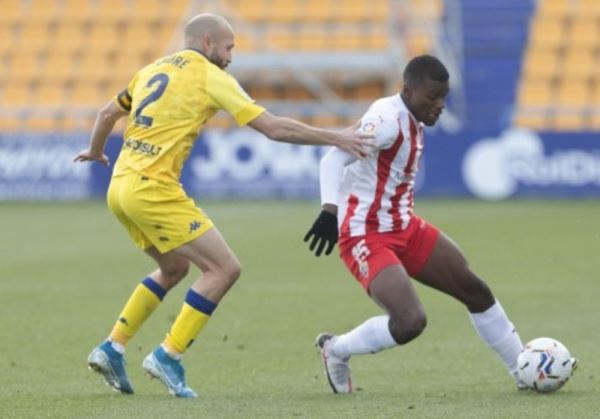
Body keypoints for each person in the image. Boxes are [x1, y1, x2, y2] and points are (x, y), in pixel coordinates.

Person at [74, 13, 373, 398]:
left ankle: (112, 347)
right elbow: (273, 127)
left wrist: (96, 152)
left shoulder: (151, 69)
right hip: (153, 189)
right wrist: (337, 137)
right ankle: (169, 355)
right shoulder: (210, 76)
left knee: (173, 266)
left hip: (119, 188)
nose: (232, 56)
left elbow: (106, 113)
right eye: (229, 47)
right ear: (208, 43)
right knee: (224, 268)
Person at [304, 54, 547, 394]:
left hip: (404, 226)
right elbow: (333, 158)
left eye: (443, 98)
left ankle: (522, 370)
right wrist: (329, 211)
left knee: (475, 290)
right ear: (408, 91)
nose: (439, 105)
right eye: (432, 97)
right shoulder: (385, 121)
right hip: (365, 233)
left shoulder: (413, 116)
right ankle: (336, 349)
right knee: (410, 322)